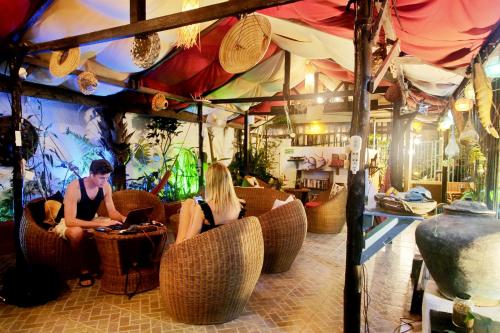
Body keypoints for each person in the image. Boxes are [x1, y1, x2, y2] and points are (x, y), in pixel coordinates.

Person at [53, 159, 126, 286]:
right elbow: (70, 221)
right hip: (67, 220)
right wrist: (101, 224)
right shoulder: (75, 187)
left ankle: (106, 264)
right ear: (91, 174)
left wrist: (124, 218)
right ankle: (83, 270)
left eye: (107, 178)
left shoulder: (106, 187)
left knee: (116, 224)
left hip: (91, 219)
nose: (105, 181)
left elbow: (112, 212)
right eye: (102, 178)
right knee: (76, 233)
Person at [175, 162, 245, 244]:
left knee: (188, 203)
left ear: (210, 183)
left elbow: (187, 243)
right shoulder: (239, 205)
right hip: (226, 246)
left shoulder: (202, 209)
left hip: (205, 250)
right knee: (191, 201)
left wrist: (194, 213)